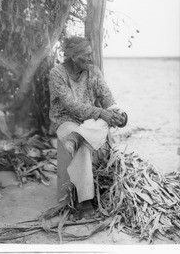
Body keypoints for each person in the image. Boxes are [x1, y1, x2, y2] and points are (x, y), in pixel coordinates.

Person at [49, 36, 127, 219]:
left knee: (95, 127)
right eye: (87, 55)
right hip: (66, 121)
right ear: (73, 56)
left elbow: (108, 99)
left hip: (89, 123)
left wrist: (119, 115)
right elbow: (71, 106)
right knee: (84, 147)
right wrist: (101, 114)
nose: (91, 59)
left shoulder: (94, 72)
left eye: (91, 54)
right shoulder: (57, 74)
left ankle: (77, 137)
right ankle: (84, 201)